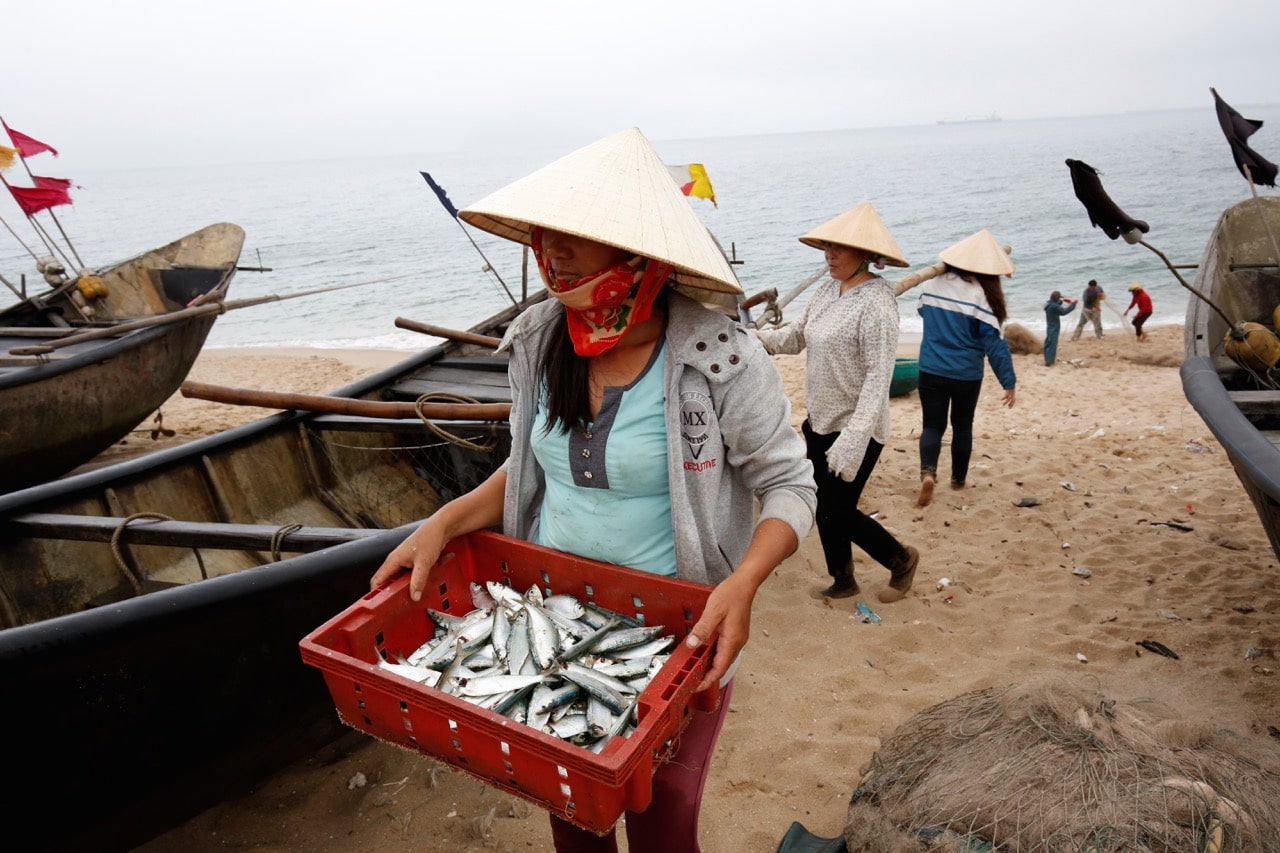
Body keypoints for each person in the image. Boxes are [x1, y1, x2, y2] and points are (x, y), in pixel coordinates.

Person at [369, 127, 816, 853]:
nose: (553, 247)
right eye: (550, 231)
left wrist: (747, 581)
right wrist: (446, 521)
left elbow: (790, 482)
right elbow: (533, 466)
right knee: (574, 819)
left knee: (664, 823)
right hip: (548, 610)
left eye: (581, 233)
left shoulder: (719, 357)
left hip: (676, 633)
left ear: (641, 252)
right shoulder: (540, 339)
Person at [754, 203, 920, 603]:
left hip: (858, 427)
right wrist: (758, 340)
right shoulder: (828, 288)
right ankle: (843, 580)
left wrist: (853, 441)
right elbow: (797, 336)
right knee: (820, 505)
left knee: (837, 510)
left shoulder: (878, 303)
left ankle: (900, 559)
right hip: (821, 421)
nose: (829, 255)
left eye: (838, 249)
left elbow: (879, 381)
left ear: (864, 255)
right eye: (826, 247)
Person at [915, 229, 1017, 507]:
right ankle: (958, 480)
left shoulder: (933, 284)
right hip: (966, 374)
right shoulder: (982, 296)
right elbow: (994, 345)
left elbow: (923, 312)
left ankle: (928, 473)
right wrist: (1008, 381)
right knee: (962, 426)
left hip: (931, 369)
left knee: (932, 426)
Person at [1043, 290, 1077, 366]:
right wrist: (1073, 305)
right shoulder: (1054, 306)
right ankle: (1049, 361)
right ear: (1056, 298)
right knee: (1052, 344)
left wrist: (1062, 300)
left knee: (1048, 342)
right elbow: (1063, 312)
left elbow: (1056, 305)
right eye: (1059, 298)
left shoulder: (1048, 303)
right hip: (1054, 327)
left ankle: (1047, 359)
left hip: (1049, 326)